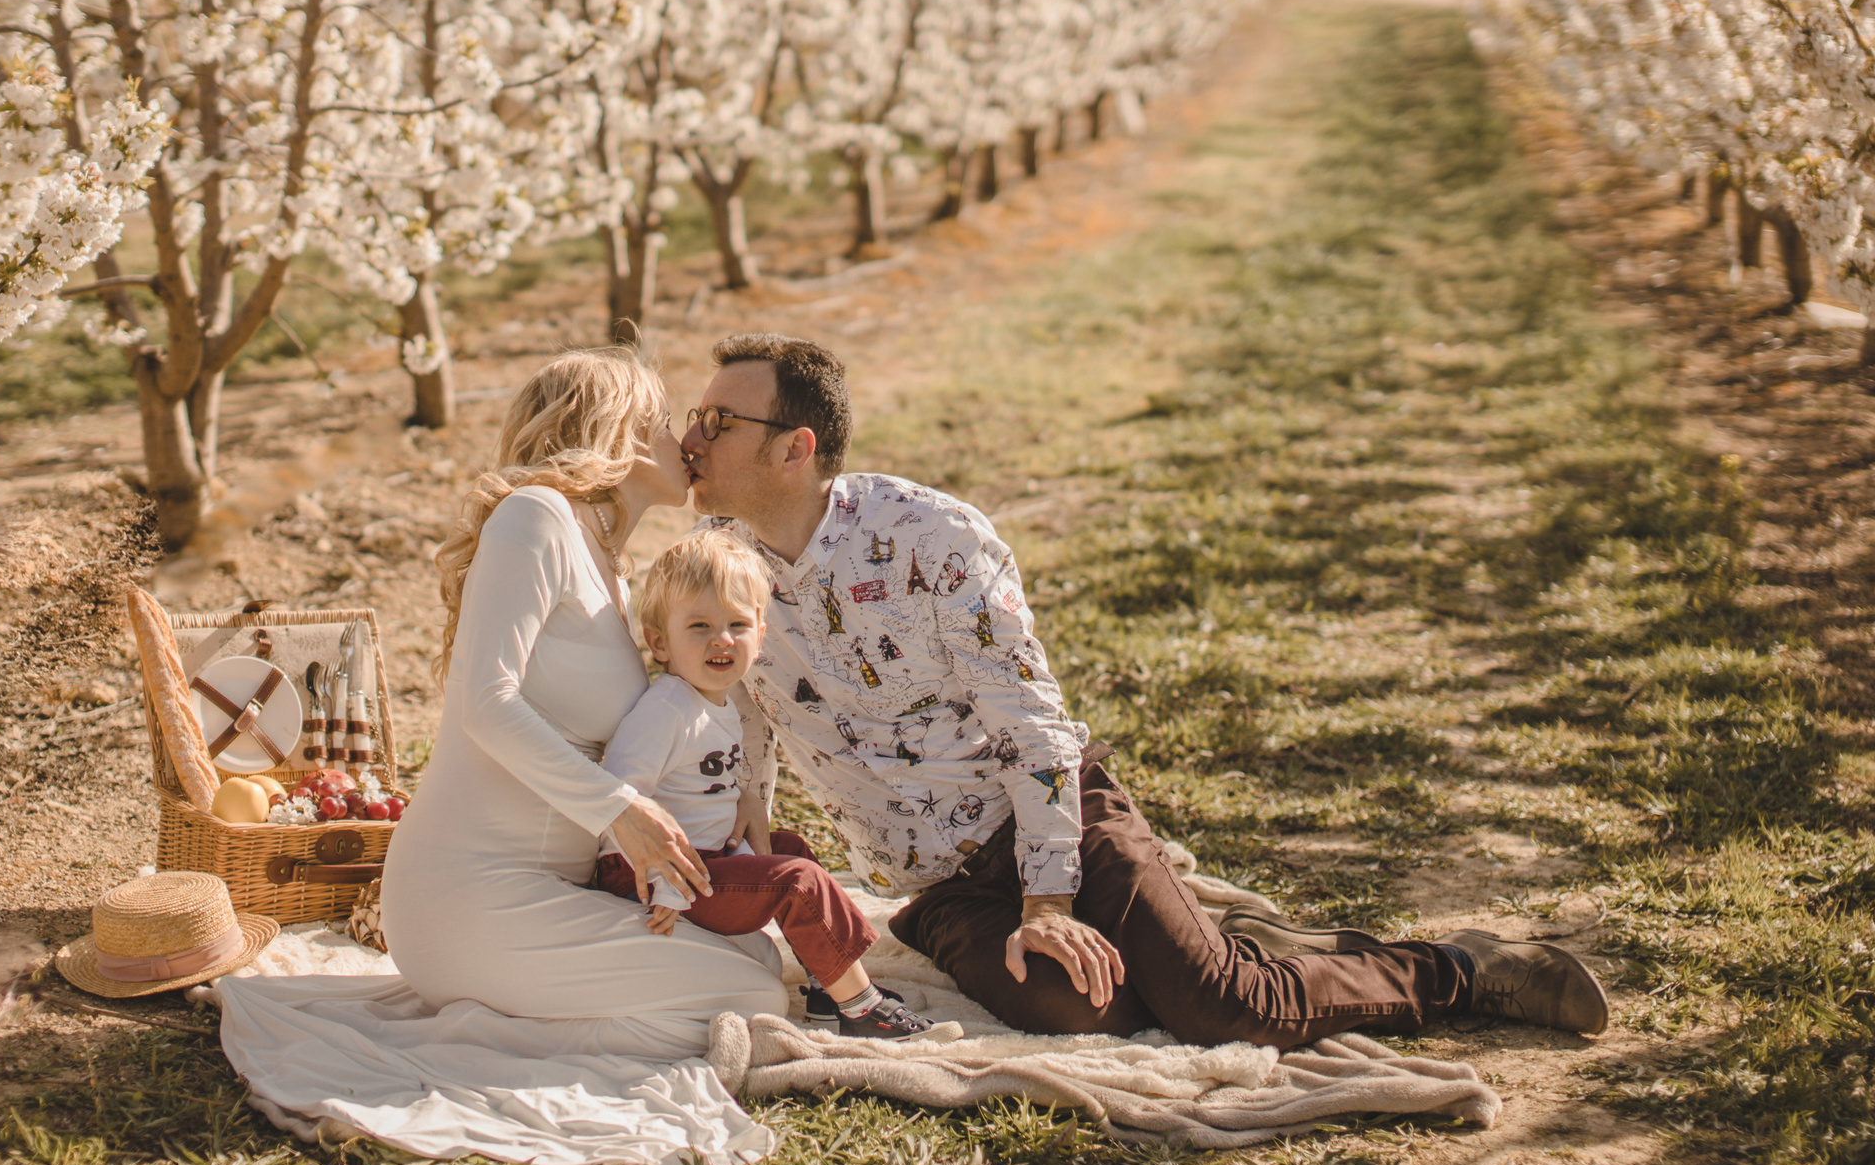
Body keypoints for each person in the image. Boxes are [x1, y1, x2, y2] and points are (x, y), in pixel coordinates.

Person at [684, 331, 1610, 1049]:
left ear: (795, 448)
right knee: (1090, 1009)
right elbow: (741, 706)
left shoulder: (930, 537)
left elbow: (1033, 726)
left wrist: (1049, 900)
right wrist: (754, 821)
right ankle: (1236, 937)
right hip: (937, 887)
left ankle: (1459, 969)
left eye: (720, 421)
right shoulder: (719, 567)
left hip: (1051, 818)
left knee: (1222, 1010)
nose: (694, 436)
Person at [379, 347, 788, 1059]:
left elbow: (688, 706)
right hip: (470, 893)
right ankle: (501, 1032)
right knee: (755, 999)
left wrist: (748, 788)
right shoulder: (534, 518)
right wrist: (619, 811)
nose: (687, 442)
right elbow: (484, 700)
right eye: (665, 423)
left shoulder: (613, 574)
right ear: (618, 432)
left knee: (757, 964)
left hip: (562, 886)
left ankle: (540, 1020)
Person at [593, 530, 945, 1041]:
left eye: (738, 624)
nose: (722, 639)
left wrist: (744, 798)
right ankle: (862, 1008)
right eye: (700, 626)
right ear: (660, 641)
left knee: (791, 849)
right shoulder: (666, 709)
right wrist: (664, 884)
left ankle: (831, 985)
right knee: (796, 883)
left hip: (702, 859)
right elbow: (623, 797)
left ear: (760, 635)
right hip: (645, 874)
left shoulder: (717, 702)